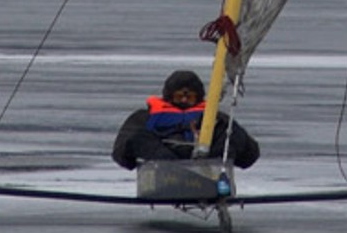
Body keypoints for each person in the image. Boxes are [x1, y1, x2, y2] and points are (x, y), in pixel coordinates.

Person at [111, 68, 260, 169]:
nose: (183, 100)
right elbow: (120, 151)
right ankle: (175, 169)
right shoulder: (146, 117)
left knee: (231, 132)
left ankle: (205, 174)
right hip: (163, 168)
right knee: (138, 136)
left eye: (189, 97)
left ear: (198, 97)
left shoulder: (214, 117)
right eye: (178, 96)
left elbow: (250, 154)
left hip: (206, 165)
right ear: (169, 97)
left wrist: (228, 132)